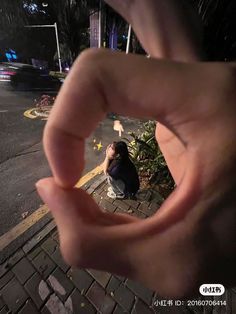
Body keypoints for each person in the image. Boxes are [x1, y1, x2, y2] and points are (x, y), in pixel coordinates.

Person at [36, 0, 236, 298]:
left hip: (127, 190)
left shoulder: (115, 165)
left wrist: (106, 160)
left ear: (116, 152)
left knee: (107, 182)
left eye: (112, 150)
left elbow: (105, 172)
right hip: (138, 182)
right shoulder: (129, 158)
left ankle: (120, 194)